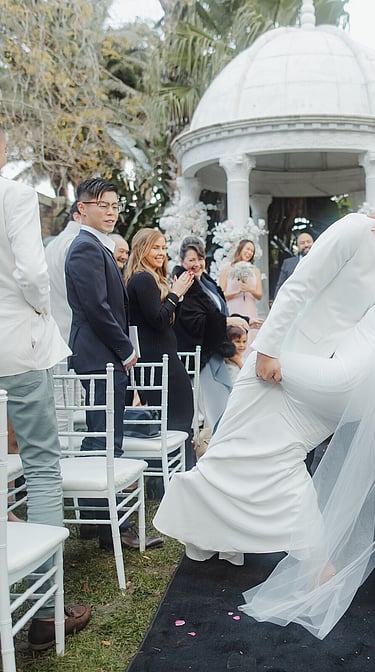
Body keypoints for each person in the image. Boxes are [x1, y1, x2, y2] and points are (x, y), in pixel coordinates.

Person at [154, 197, 375, 635]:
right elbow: (299, 285)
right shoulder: (359, 230)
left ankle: (306, 554)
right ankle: (214, 537)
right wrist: (268, 349)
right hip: (284, 360)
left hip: (326, 377)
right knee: (238, 451)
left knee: (269, 455)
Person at [0, 126, 92, 649]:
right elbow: (34, 275)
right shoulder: (13, 195)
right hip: (16, 345)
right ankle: (46, 611)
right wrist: (38, 312)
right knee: (40, 465)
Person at [66, 177, 162, 551]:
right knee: (107, 441)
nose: (110, 212)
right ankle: (112, 528)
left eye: (115, 205)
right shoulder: (85, 248)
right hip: (99, 355)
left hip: (102, 354)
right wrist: (125, 350)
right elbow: (97, 308)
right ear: (83, 208)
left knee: (103, 437)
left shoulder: (98, 246)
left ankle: (97, 522)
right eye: (102, 205)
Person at [125, 228, 195, 465]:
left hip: (161, 358)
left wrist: (178, 296)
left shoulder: (151, 278)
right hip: (159, 360)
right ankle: (181, 472)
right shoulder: (143, 279)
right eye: (155, 247)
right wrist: (175, 294)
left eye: (163, 248)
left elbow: (170, 320)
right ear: (141, 249)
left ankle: (176, 472)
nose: (161, 253)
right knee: (179, 420)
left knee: (175, 421)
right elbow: (158, 321)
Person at [172, 236, 253, 430]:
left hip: (216, 352)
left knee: (226, 406)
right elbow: (194, 322)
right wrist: (229, 321)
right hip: (201, 355)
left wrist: (245, 319)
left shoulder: (206, 282)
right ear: (182, 261)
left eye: (200, 259)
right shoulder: (184, 285)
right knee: (215, 410)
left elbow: (217, 313)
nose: (197, 264)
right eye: (191, 260)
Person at [218, 239, 263, 354]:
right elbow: (220, 294)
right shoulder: (227, 268)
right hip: (233, 307)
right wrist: (236, 291)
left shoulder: (255, 270)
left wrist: (249, 289)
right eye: (247, 249)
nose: (249, 252)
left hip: (249, 308)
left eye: (252, 251)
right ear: (240, 249)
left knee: (250, 337)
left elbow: (259, 295)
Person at [45, 202, 81, 342]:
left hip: (54, 331)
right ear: (77, 216)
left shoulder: (52, 245)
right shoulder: (78, 244)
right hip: (74, 333)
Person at [274, 231, 314, 297]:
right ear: (298, 247)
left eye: (308, 242)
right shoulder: (288, 263)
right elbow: (280, 288)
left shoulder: (322, 261)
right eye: (302, 243)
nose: (306, 245)